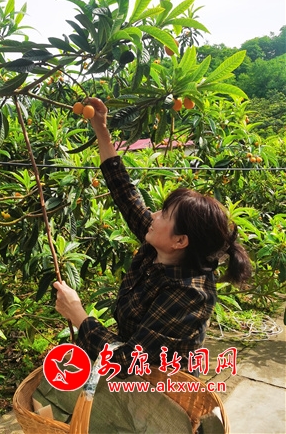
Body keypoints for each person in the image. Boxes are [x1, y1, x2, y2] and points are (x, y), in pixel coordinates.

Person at [53, 97, 252, 376]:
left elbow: (126, 362)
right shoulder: (163, 248)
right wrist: (101, 128)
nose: (153, 215)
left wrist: (78, 314)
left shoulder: (189, 294)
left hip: (160, 389)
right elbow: (125, 193)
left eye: (164, 214)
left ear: (180, 240)